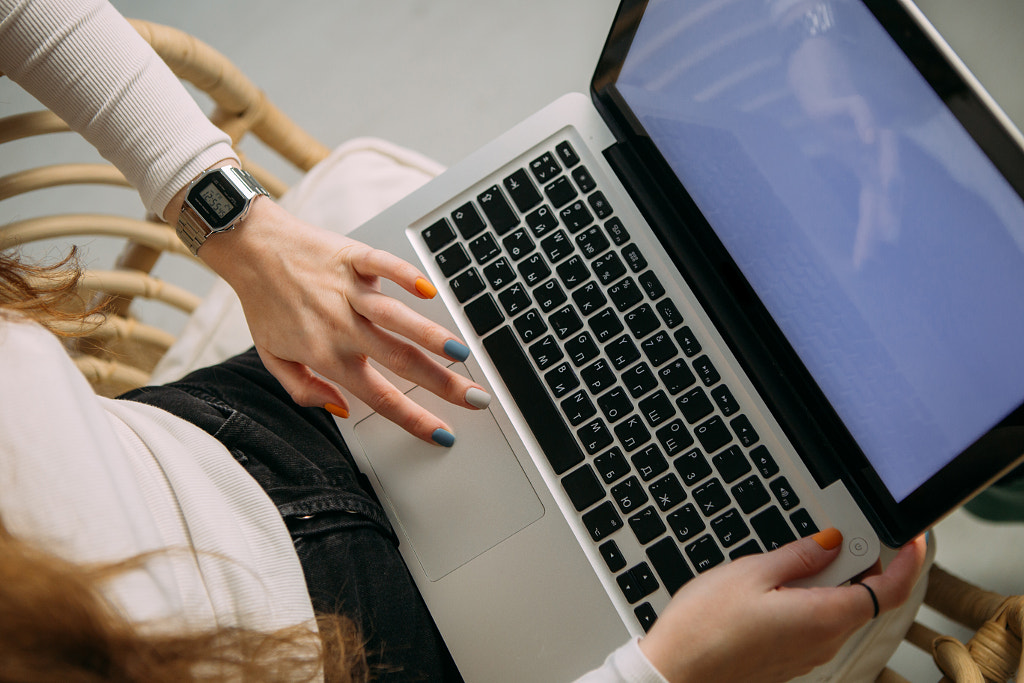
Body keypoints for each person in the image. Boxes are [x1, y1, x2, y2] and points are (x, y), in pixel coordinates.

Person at [0, 0, 928, 681]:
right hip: (363, 651)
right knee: (886, 525)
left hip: (241, 425)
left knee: (682, 272)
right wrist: (663, 673)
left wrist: (231, 217)